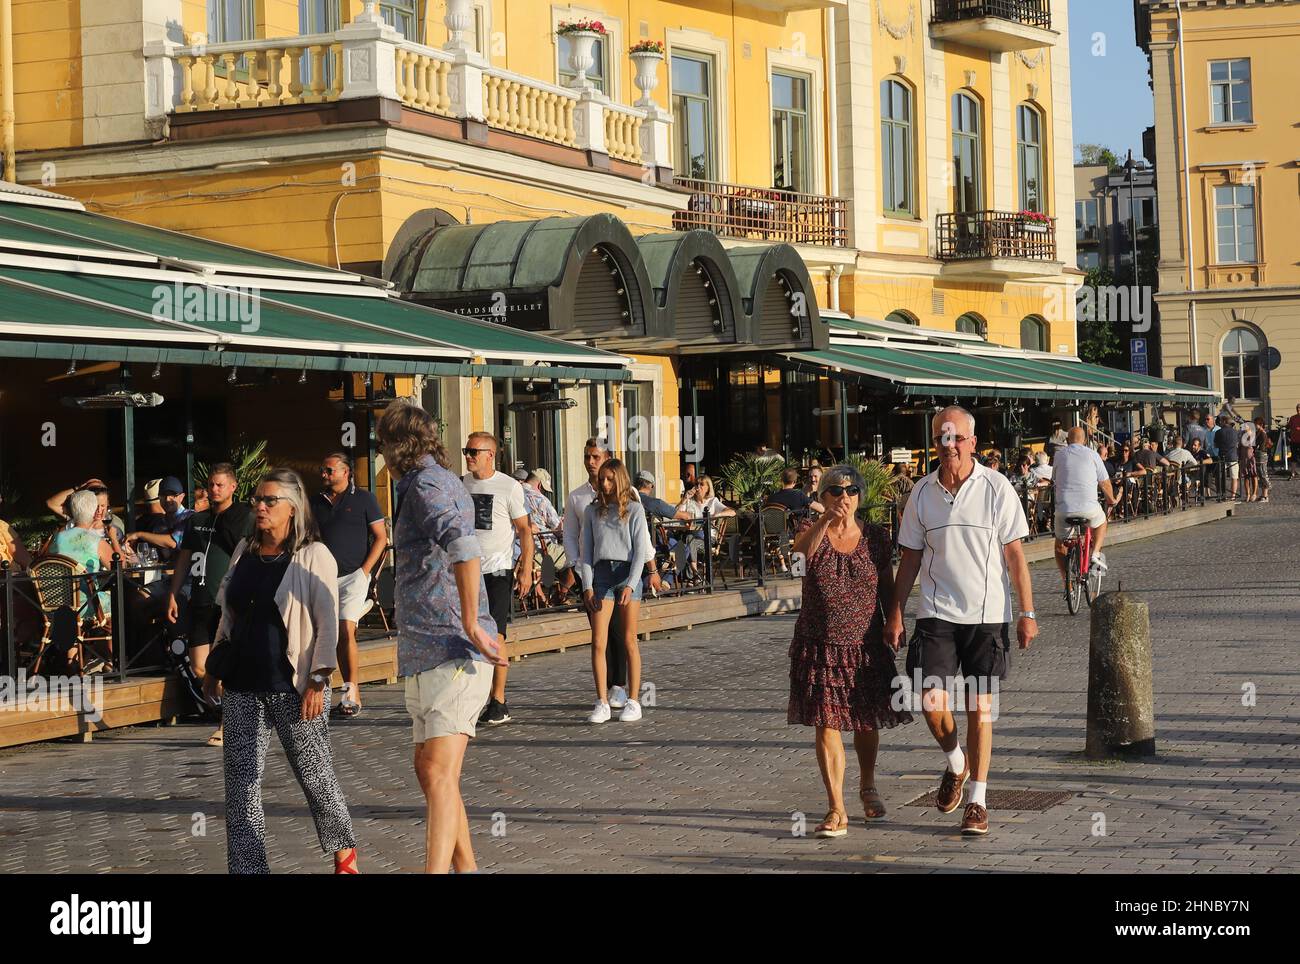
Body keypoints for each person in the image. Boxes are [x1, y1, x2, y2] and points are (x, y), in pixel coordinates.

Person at [885, 406, 1037, 837]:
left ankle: (978, 800)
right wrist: (895, 611)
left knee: (979, 707)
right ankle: (956, 762)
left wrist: (1026, 613)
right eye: (940, 438)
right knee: (930, 702)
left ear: (972, 442)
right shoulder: (922, 492)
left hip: (987, 616)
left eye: (955, 438)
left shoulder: (997, 487)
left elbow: (1015, 557)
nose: (947, 446)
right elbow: (910, 557)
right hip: (936, 612)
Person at [201, 468, 357, 874]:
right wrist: (214, 664)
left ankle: (345, 854)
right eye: (257, 499)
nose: (261, 506)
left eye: (270, 500)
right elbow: (228, 614)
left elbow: (328, 624)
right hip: (242, 685)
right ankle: (249, 870)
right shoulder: (244, 552)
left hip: (294, 686)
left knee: (316, 778)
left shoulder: (313, 555)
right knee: (241, 789)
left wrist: (319, 680)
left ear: (293, 508)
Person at [377, 401, 506, 874]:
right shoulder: (430, 481)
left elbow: (464, 546)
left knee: (436, 772)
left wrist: (473, 622)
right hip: (428, 649)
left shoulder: (427, 485)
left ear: (398, 445)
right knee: (434, 774)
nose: (380, 455)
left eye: (382, 443)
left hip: (451, 647)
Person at [788, 464, 911, 838]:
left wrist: (894, 619)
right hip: (820, 643)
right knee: (827, 723)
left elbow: (887, 584)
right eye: (836, 492)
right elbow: (798, 564)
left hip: (864, 643)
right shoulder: (810, 533)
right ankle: (836, 807)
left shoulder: (875, 536)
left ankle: (868, 784)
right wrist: (824, 522)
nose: (845, 498)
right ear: (823, 497)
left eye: (852, 491)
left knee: (865, 720)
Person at [166, 463, 255, 747]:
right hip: (199, 601)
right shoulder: (196, 520)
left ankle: (226, 725)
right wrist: (173, 593)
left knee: (225, 664)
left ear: (232, 487)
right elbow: (184, 557)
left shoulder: (243, 517)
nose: (214, 490)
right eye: (211, 485)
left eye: (220, 485)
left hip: (225, 602)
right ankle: (233, 710)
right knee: (201, 667)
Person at [462, 432, 532, 726]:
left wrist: (526, 568)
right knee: (468, 634)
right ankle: (472, 698)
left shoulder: (509, 486)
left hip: (498, 571)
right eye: (466, 450)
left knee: (496, 635)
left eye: (473, 451)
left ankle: (499, 700)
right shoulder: (460, 484)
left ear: (490, 454)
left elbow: (525, 530)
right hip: (466, 571)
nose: (468, 456)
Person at [311, 453, 388, 718]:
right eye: (323, 469)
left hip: (353, 576)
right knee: (324, 635)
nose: (324, 474)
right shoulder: (315, 502)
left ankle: (351, 691)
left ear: (346, 472)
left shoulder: (364, 498)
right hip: (322, 577)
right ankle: (322, 692)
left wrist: (364, 572)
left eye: (329, 470)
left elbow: (380, 537)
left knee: (346, 630)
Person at [581, 459, 654, 724]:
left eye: (610, 478)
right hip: (601, 575)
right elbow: (586, 552)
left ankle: (634, 700)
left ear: (620, 479)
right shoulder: (592, 511)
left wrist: (633, 584)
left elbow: (640, 552)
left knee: (628, 639)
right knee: (598, 641)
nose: (604, 483)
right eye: (602, 479)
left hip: (626, 573)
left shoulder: (634, 510)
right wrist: (587, 586)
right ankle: (602, 701)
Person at [564, 438, 634, 709]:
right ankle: (606, 688)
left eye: (595, 457)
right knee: (599, 631)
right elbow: (570, 533)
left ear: (607, 459)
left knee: (619, 629)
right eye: (586, 457)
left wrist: (648, 570)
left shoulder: (629, 495)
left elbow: (638, 535)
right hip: (590, 571)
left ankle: (618, 684)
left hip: (621, 570)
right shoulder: (577, 497)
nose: (590, 462)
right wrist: (575, 565)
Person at [1051, 427, 1119, 585]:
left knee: (1060, 545)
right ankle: (1095, 553)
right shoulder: (1093, 455)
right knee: (1101, 522)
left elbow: (1054, 478)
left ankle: (1067, 583)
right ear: (1085, 441)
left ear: (1067, 440)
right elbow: (1105, 483)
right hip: (1089, 509)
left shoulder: (1059, 455)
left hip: (1064, 510)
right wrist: (1111, 500)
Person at [49, 489, 115, 637]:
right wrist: (115, 540)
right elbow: (118, 567)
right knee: (117, 600)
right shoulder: (96, 541)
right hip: (85, 604)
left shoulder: (58, 538)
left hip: (57, 602)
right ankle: (111, 656)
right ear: (93, 512)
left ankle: (73, 656)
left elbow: (48, 563)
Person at [124, 476, 192, 565]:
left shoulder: (189, 516)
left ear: (182, 497)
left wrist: (139, 534)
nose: (167, 499)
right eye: (163, 495)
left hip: (191, 575)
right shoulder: (159, 524)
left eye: (173, 495)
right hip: (170, 575)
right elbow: (161, 558)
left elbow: (172, 542)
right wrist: (137, 559)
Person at [1216, 417, 1242, 502]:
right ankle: (1233, 496)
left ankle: (1222, 495)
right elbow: (1238, 443)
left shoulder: (1219, 432)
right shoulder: (1235, 432)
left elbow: (1215, 444)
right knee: (1234, 477)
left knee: (1221, 477)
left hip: (1222, 456)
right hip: (1233, 456)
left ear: (1224, 422)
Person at [1238, 418, 1258, 504]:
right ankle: (1248, 494)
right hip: (1243, 457)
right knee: (1246, 477)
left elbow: (1252, 443)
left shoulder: (1252, 434)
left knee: (1253, 476)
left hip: (1251, 457)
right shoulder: (1241, 434)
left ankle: (1254, 493)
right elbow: (1239, 445)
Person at [1253, 416, 1272, 503]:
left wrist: (1256, 448)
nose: (1254, 425)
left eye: (1255, 424)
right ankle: (1263, 495)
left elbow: (1262, 446)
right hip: (1258, 454)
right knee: (1260, 474)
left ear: (1260, 424)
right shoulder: (1258, 432)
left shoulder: (1262, 433)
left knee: (1263, 473)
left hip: (1262, 455)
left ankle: (1266, 494)